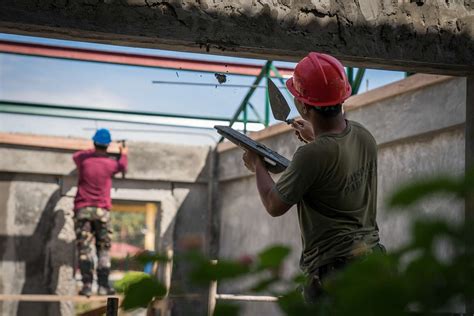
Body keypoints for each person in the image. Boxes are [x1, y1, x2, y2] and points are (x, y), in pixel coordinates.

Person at [242, 52, 383, 303]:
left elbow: (274, 204)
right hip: (374, 262)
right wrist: (316, 136)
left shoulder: (312, 155)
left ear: (304, 107)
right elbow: (334, 155)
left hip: (336, 276)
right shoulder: (363, 135)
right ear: (341, 98)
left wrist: (257, 164)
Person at [73, 128, 128, 296]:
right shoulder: (111, 164)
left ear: (94, 143)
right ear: (107, 145)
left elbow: (75, 156)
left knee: (84, 250)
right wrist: (123, 151)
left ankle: (87, 286)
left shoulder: (84, 160)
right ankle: (103, 287)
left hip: (83, 210)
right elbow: (123, 165)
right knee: (103, 249)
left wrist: (93, 151)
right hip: (102, 211)